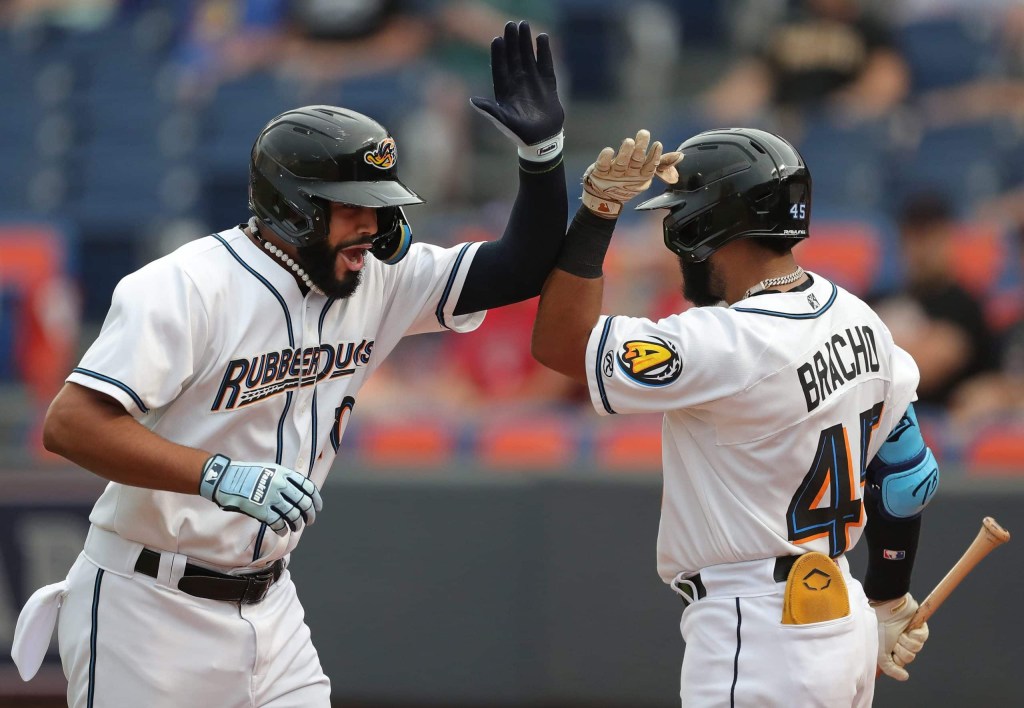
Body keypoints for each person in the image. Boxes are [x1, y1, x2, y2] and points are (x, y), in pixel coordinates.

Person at [11, 20, 566, 707]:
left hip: (271, 607)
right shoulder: (186, 286)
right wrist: (217, 476)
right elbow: (68, 425)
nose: (374, 227)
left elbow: (520, 268)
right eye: (354, 209)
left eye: (381, 206)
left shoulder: (374, 275)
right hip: (147, 605)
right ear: (294, 209)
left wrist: (542, 159)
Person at [532, 127, 939, 705]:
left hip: (758, 629)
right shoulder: (860, 319)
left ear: (707, 223)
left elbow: (558, 345)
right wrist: (888, 598)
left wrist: (598, 213)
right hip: (840, 616)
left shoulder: (726, 341)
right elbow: (905, 475)